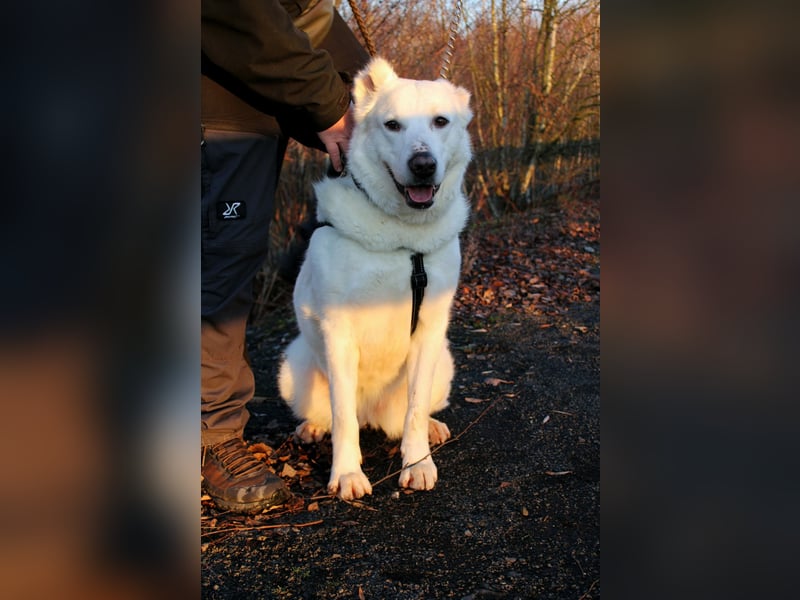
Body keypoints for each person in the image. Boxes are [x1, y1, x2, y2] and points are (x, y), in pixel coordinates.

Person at [201, 0, 369, 513]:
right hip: (210, 105)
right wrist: (332, 102)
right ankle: (209, 436)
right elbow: (242, 14)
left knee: (227, 262)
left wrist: (367, 92)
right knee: (215, 266)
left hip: (246, 108)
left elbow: (302, 10)